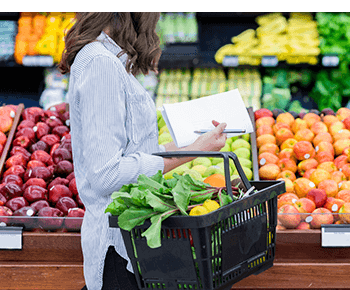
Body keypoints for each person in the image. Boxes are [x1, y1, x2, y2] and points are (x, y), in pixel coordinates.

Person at [58, 12, 227, 290]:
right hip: (117, 249)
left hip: (133, 244)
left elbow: (135, 151)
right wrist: (191, 152)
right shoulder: (101, 64)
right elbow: (107, 174)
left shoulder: (108, 60)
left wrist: (196, 145)